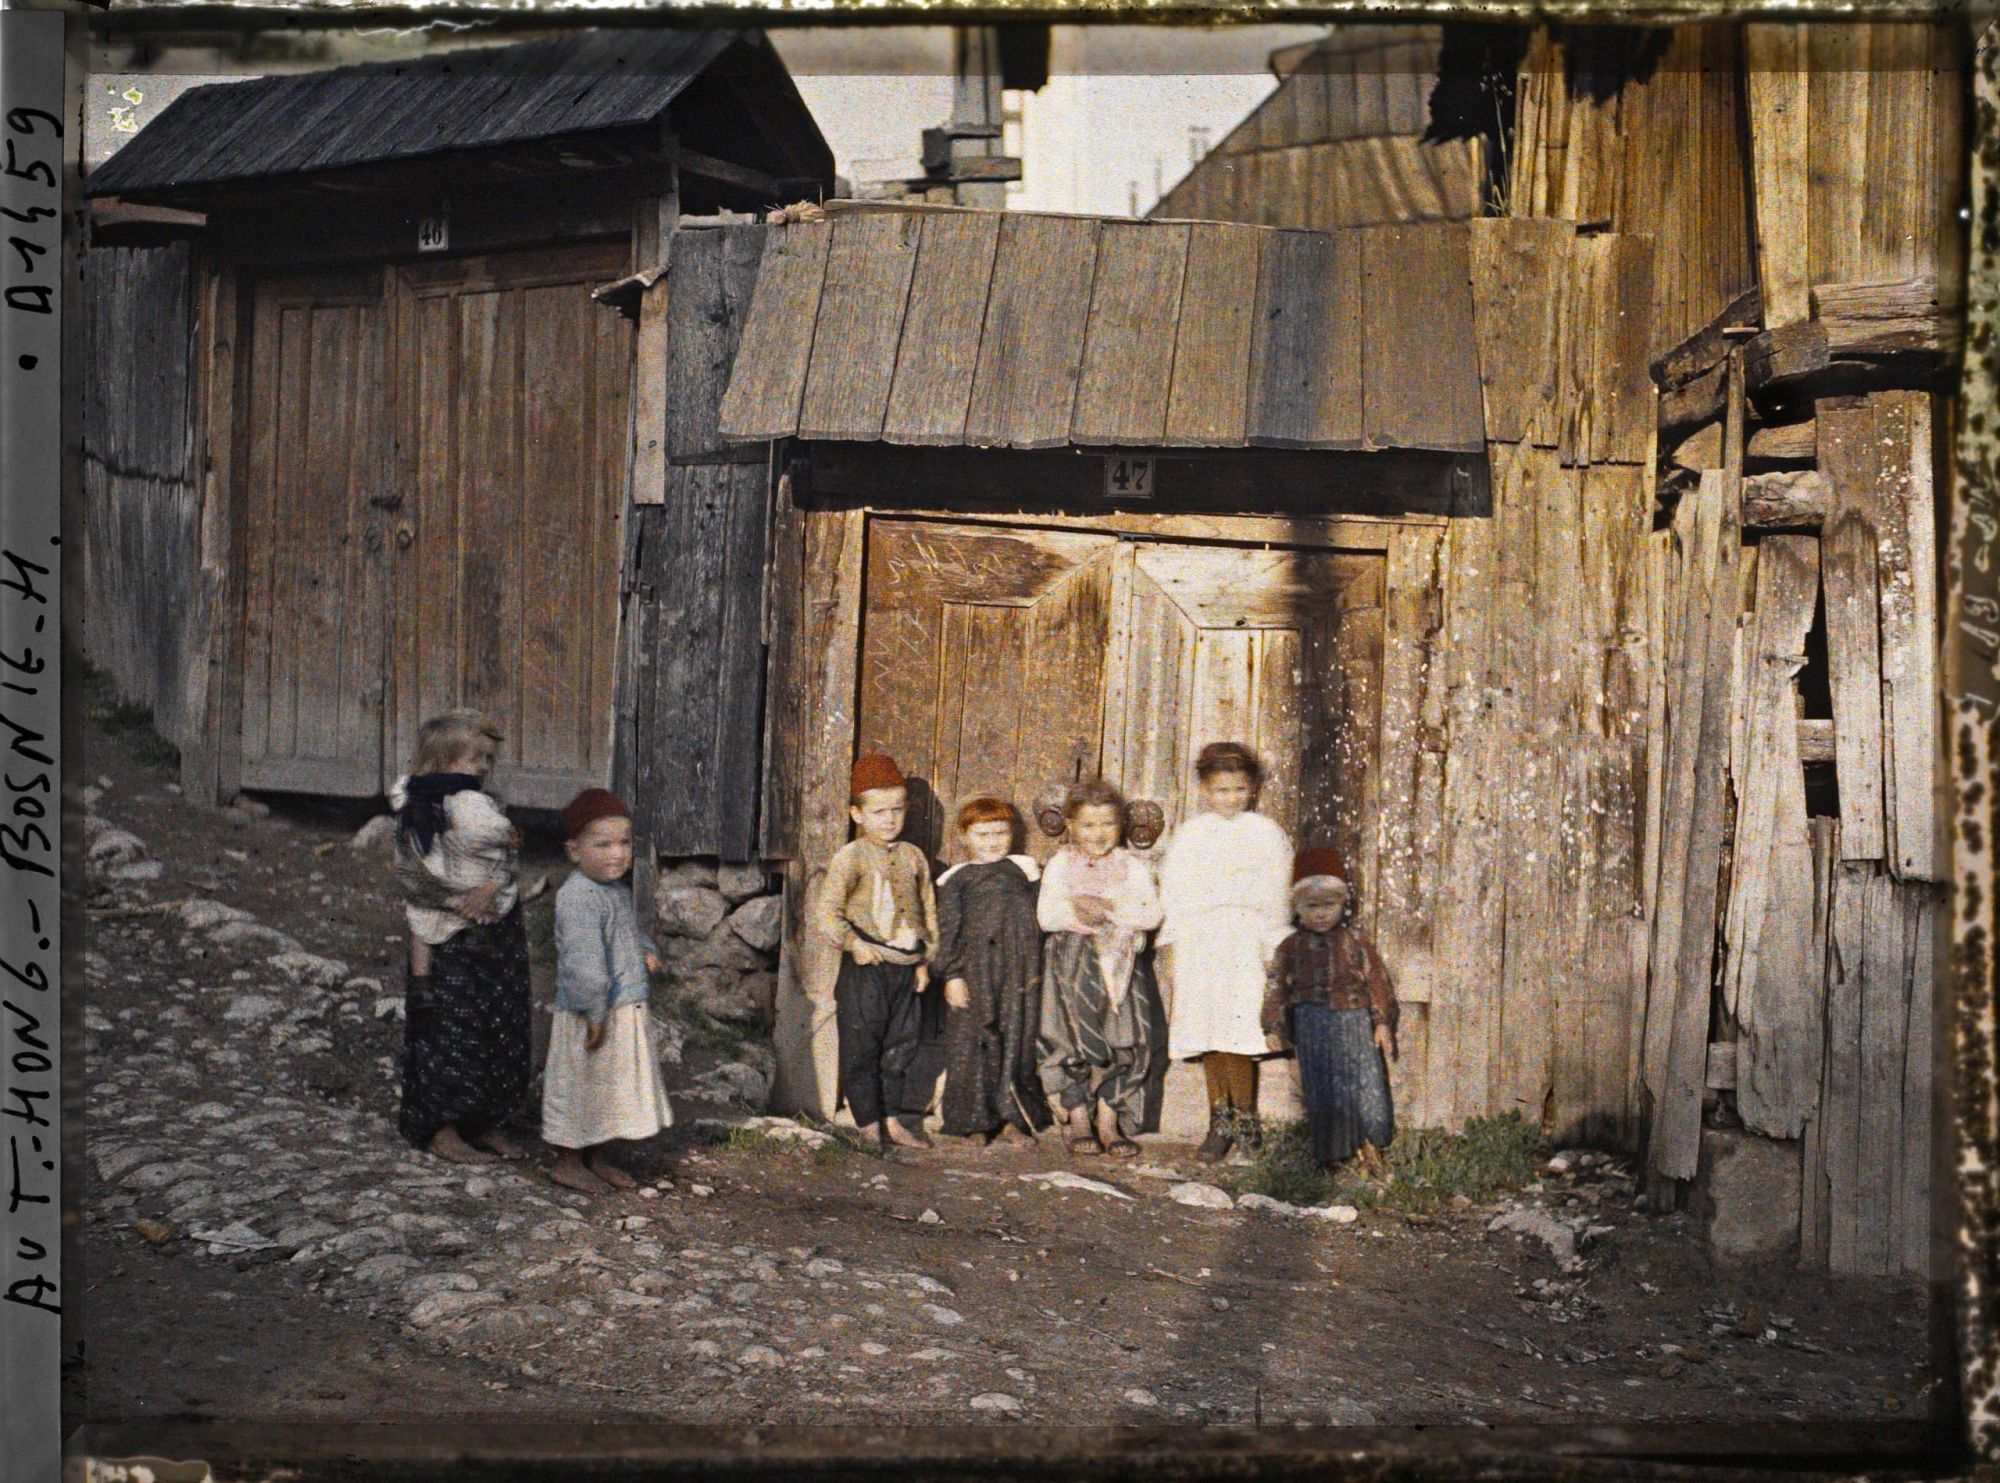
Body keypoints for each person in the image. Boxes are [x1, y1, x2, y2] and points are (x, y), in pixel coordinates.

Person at [390, 709, 534, 1165]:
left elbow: (507, 854)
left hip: (496, 921)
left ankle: (485, 1120)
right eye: (475, 758)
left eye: (488, 759)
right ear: (441, 759)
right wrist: (460, 901)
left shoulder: (482, 805)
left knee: (500, 1020)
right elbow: (414, 878)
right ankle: (443, 1127)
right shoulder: (421, 809)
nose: (483, 768)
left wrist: (491, 888)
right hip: (448, 930)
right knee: (451, 1027)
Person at [1156, 741, 1293, 1164]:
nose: (1230, 799)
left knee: (1238, 1032)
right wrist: (1174, 946)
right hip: (1202, 940)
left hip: (1245, 941)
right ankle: (1219, 1123)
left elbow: (1278, 893)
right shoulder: (1192, 835)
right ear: (1204, 790)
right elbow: (1175, 891)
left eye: (1238, 790)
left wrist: (1274, 945)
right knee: (1208, 1033)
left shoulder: (1266, 833)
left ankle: (1246, 1120)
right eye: (1220, 791)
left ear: (1251, 789)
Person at [543, 788, 674, 1194]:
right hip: (593, 1012)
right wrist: (595, 1013)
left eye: (623, 843)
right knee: (582, 1085)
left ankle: (597, 1156)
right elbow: (584, 964)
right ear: (574, 851)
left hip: (620, 1007)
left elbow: (627, 934)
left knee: (608, 1088)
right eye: (602, 844)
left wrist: (645, 951)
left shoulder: (614, 892)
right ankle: (567, 1162)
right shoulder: (578, 897)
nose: (617, 854)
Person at [810, 752, 939, 1149]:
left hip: (903, 966)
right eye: (879, 811)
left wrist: (923, 961)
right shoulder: (850, 858)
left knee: (901, 1046)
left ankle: (894, 1121)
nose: (889, 819)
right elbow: (826, 914)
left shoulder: (913, 857)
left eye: (897, 810)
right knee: (862, 1046)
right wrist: (854, 945)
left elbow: (926, 911)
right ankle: (867, 1125)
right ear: (857, 814)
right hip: (866, 968)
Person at [1037, 780, 1164, 1158]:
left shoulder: (1132, 866)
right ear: (1071, 825)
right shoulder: (1061, 865)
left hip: (1118, 964)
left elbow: (1150, 913)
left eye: (1107, 824)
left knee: (1124, 1037)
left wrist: (1108, 908)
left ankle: (1109, 1121)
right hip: (1070, 965)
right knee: (1066, 1036)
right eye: (1088, 825)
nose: (1098, 834)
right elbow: (1046, 916)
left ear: (1121, 826)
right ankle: (1078, 1117)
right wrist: (1076, 908)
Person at [1261, 848, 1398, 1170]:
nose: (1321, 914)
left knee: (1366, 1083)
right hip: (1312, 1023)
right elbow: (1276, 988)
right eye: (1312, 906)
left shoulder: (1355, 942)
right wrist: (1273, 1026)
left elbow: (1377, 982)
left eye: (1329, 905)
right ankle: (1332, 1155)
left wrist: (1381, 1023)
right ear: (1297, 908)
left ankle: (1371, 1146)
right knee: (1321, 1086)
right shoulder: (1290, 947)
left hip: (1353, 1020)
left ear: (1341, 905)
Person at [934, 796, 1051, 1146]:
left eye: (1000, 833)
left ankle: (1013, 1119)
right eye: (982, 834)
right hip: (975, 972)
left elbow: (1043, 917)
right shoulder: (957, 880)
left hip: (1019, 972)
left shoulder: (1025, 872)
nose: (992, 842)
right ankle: (974, 1121)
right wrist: (952, 975)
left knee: (1017, 1041)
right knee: (973, 1042)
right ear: (965, 836)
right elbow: (947, 930)